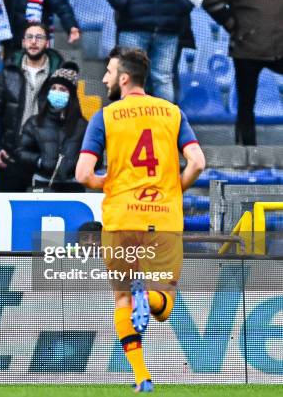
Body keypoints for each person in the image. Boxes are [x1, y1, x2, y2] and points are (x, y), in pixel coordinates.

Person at [75, 47, 205, 392]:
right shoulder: (172, 113)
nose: (104, 78)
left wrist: (114, 184)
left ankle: (141, 377)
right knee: (164, 305)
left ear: (124, 77)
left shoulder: (105, 117)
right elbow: (198, 162)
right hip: (163, 219)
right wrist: (172, 187)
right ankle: (151, 298)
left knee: (121, 298)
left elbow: (84, 174)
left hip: (121, 219)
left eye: (109, 72)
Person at [0, 22, 63, 192]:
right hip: (12, 153)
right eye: (29, 37)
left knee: (44, 214)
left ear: (47, 43)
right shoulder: (8, 72)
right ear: (23, 42)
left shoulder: (58, 74)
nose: (33, 42)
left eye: (39, 37)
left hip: (46, 153)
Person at [203, 0, 283, 146]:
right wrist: (231, 24)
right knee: (246, 103)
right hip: (247, 49)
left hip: (279, 48)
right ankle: (247, 150)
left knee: (246, 104)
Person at [100, 0, 198, 102]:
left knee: (130, 76)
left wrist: (183, 5)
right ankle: (164, 119)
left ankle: (133, 118)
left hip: (142, 25)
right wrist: (183, 5)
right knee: (162, 78)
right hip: (159, 25)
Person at [16, 65, 88, 192]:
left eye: (62, 89)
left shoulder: (83, 125)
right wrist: (39, 161)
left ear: (71, 95)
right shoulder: (34, 123)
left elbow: (94, 157)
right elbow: (21, 151)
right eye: (53, 88)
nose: (57, 92)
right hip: (42, 183)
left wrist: (75, 165)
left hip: (73, 185)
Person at [3, 0, 81, 54]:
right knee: (14, 67)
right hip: (13, 37)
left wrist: (71, 25)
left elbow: (61, 5)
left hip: (37, 35)